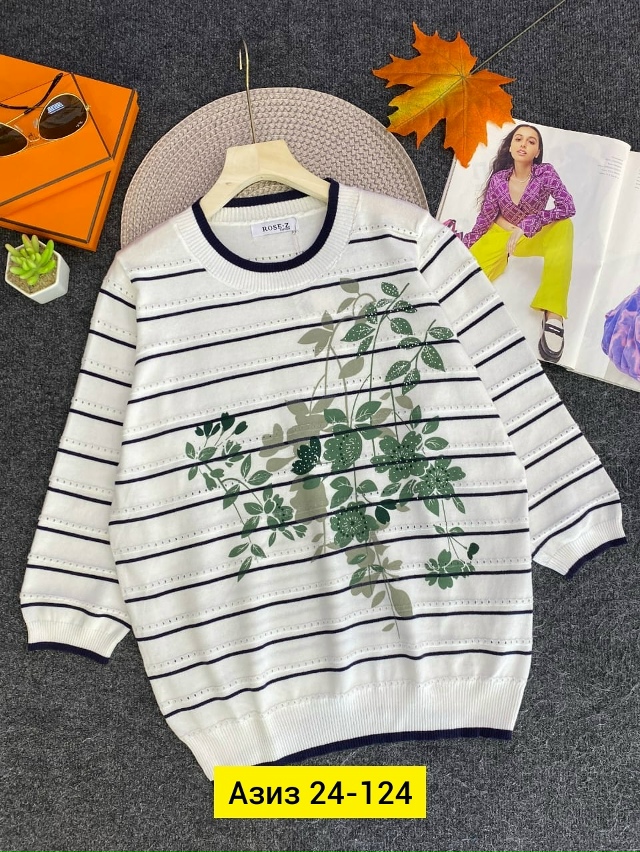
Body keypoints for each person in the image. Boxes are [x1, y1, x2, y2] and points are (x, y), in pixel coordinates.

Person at [445, 124, 576, 363]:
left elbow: (567, 207)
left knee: (564, 226)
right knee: (464, 282)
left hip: (531, 235)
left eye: (531, 141)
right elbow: (485, 219)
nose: (523, 144)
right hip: (498, 234)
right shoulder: (498, 180)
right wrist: (467, 242)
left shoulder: (545, 173)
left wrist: (529, 224)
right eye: (518, 139)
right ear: (510, 146)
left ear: (537, 151)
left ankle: (553, 313)